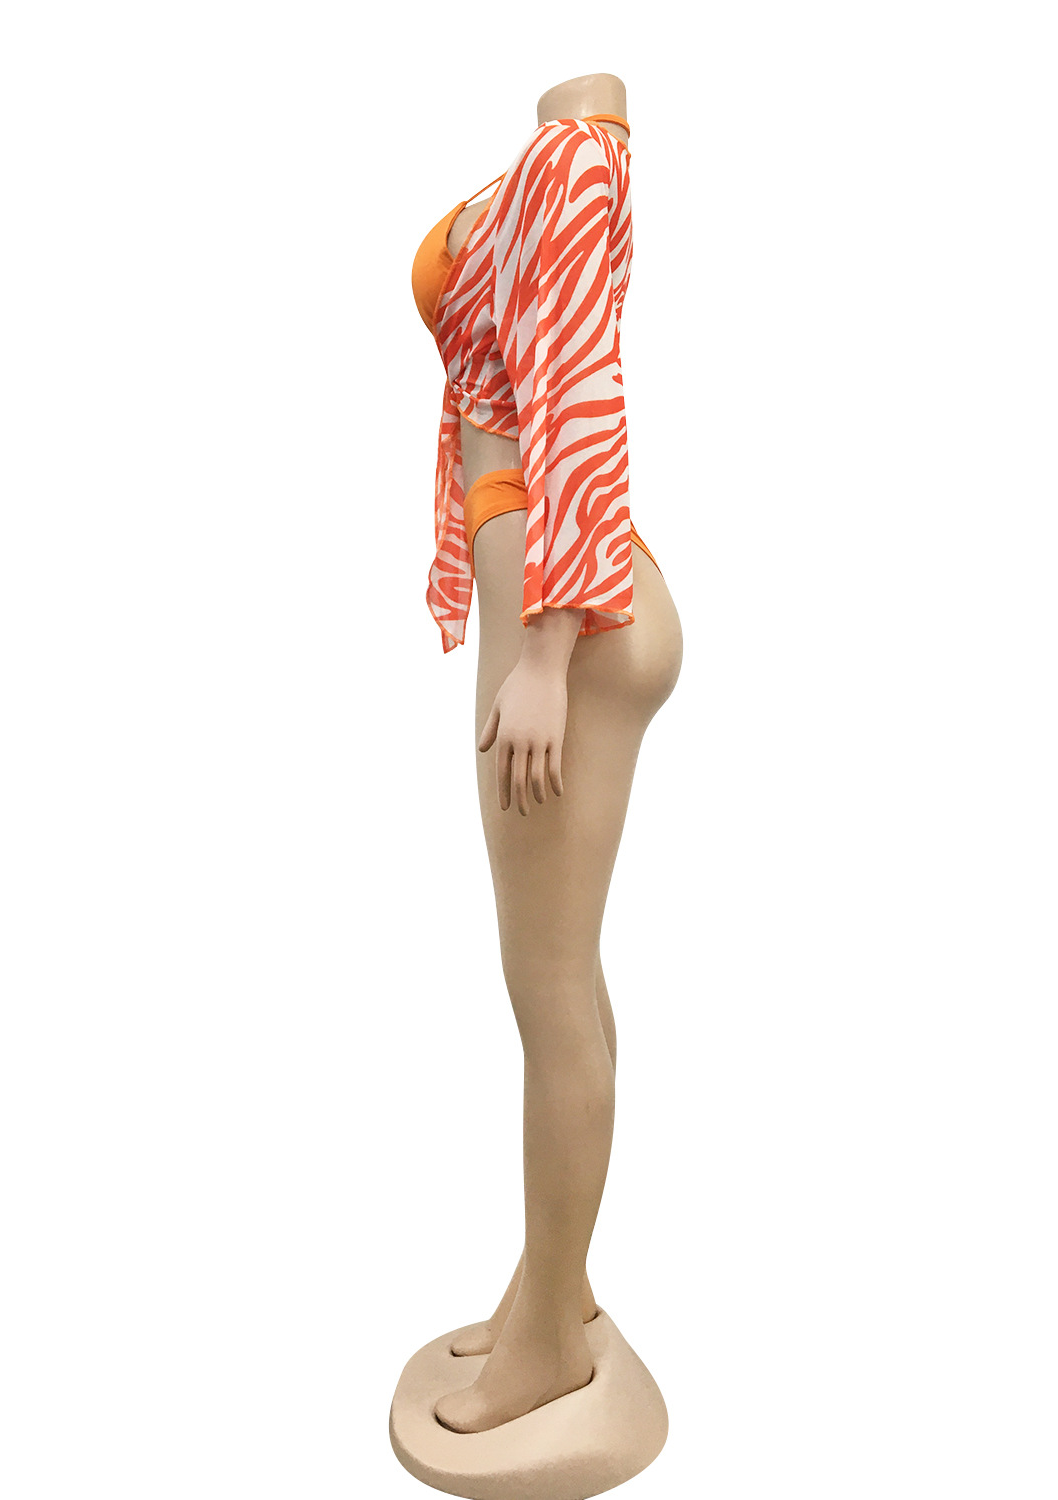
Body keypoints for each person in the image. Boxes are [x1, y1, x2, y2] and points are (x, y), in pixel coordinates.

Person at [408, 71, 684, 1436]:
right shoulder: (565, 153)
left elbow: (577, 393)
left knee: (549, 986)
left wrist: (544, 652)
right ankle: (552, 1286)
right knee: (564, 977)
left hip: (559, 601)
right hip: (553, 581)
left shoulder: (576, 158)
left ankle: (549, 1359)